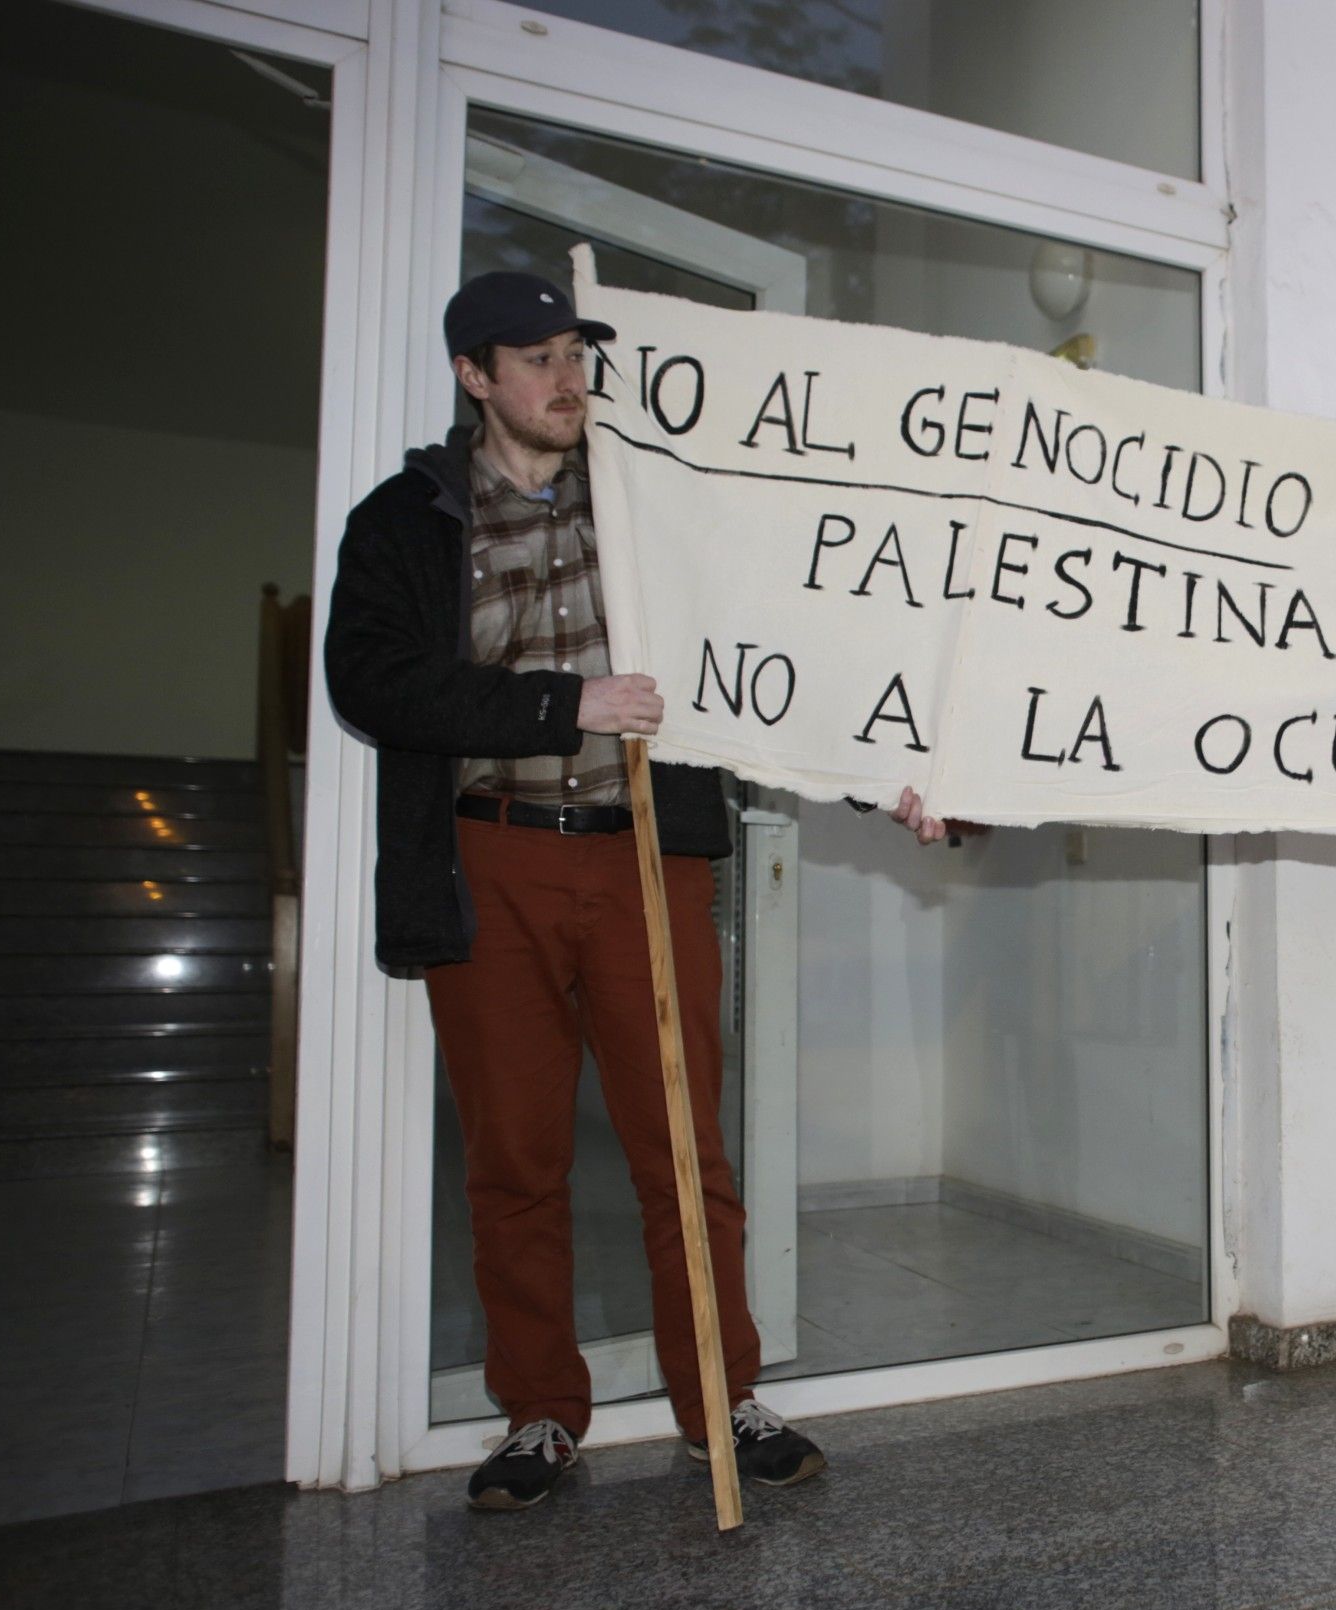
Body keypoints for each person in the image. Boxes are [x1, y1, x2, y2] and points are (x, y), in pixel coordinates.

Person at [325, 272, 946, 1511]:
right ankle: (541, 1413)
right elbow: (373, 682)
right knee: (515, 1153)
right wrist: (567, 703)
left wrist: (890, 777)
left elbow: (764, 667)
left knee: (684, 1149)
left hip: (647, 849)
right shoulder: (405, 517)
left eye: (576, 353)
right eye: (537, 357)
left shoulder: (651, 500)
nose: (567, 379)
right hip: (489, 854)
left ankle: (721, 1395)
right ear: (474, 377)